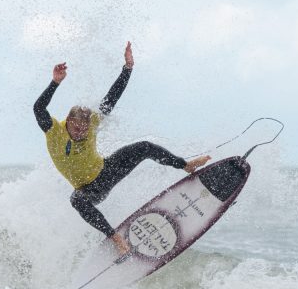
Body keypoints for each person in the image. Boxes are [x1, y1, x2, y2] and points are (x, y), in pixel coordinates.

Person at [33, 41, 210, 255]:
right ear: (67, 121)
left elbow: (112, 97)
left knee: (143, 147)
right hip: (90, 190)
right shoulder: (54, 131)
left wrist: (128, 68)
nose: (80, 133)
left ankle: (185, 165)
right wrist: (55, 82)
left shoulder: (93, 122)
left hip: (106, 171)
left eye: (83, 129)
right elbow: (38, 107)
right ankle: (115, 237)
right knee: (76, 199)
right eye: (76, 128)